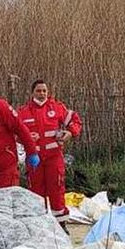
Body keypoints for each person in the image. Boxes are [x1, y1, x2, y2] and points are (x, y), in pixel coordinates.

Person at [18, 80, 83, 216]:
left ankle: (61, 223)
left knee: (57, 189)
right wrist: (26, 137)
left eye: (44, 91)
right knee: (36, 191)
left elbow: (75, 121)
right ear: (32, 93)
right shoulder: (23, 112)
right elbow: (13, 132)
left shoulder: (57, 108)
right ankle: (39, 222)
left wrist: (70, 133)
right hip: (34, 159)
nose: (42, 94)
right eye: (38, 91)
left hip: (54, 158)